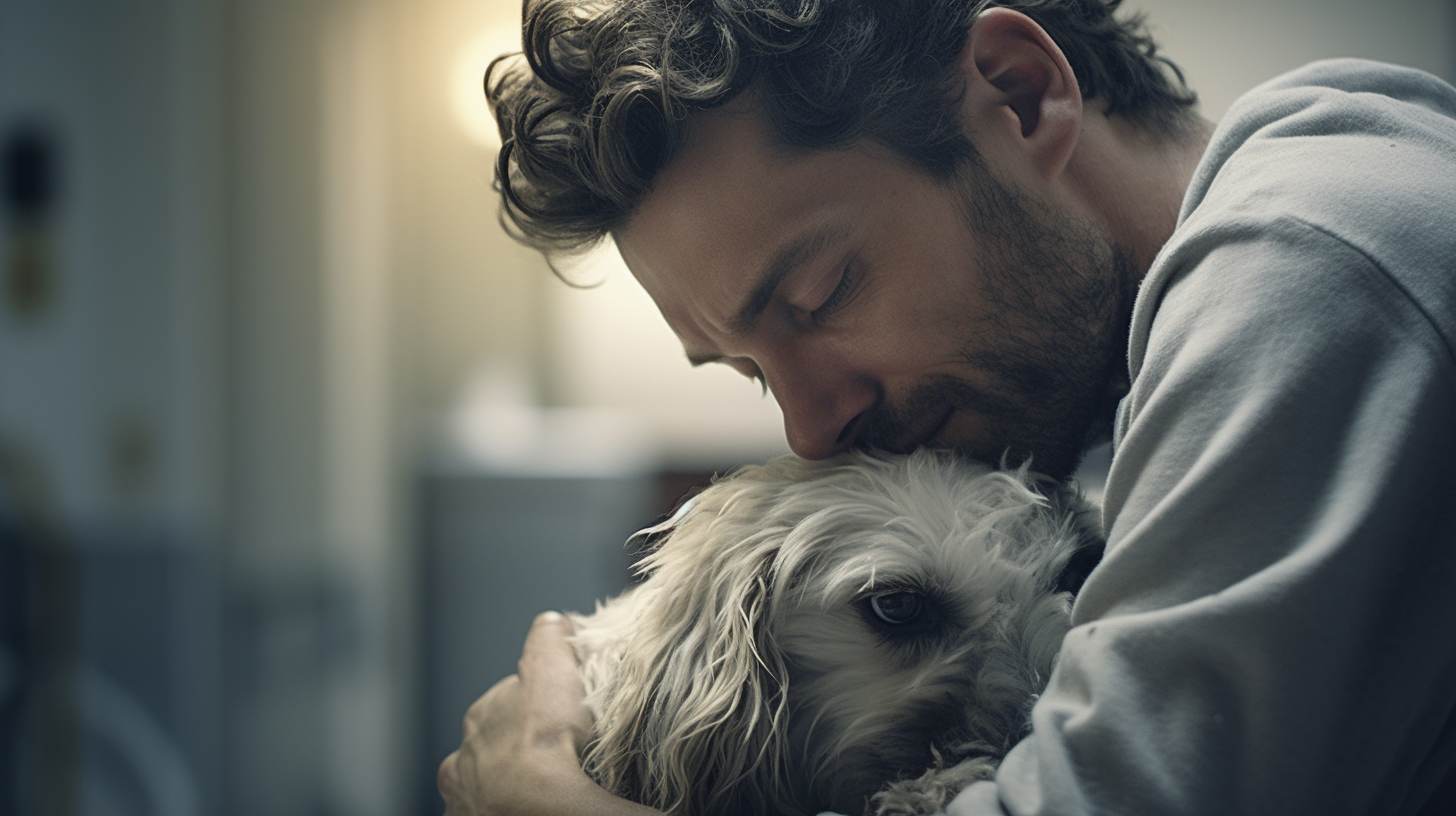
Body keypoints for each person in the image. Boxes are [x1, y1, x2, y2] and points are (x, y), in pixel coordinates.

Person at [437, 0, 1456, 813]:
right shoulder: (1111, 404)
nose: (806, 428)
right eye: (746, 369)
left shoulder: (1316, 266)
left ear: (1018, 96)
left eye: (820, 295)